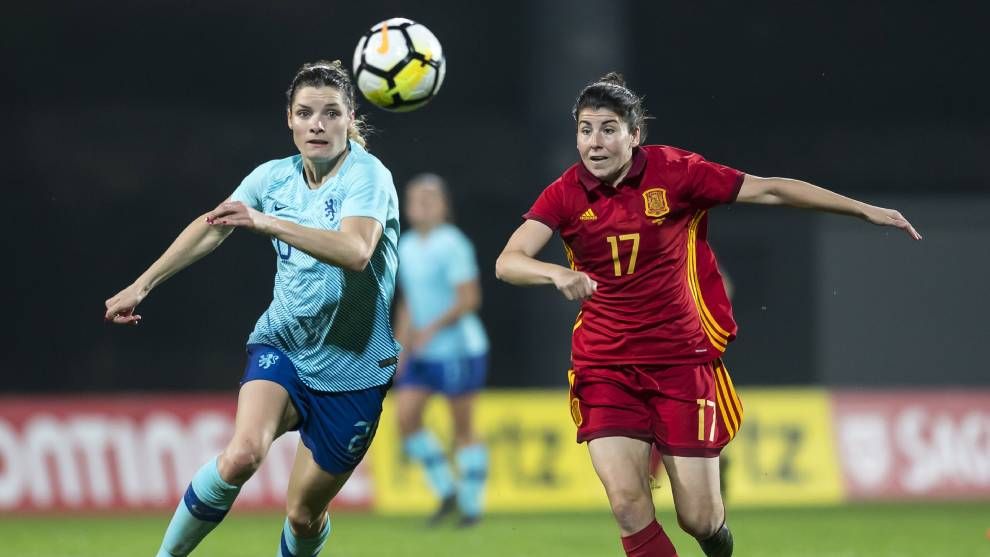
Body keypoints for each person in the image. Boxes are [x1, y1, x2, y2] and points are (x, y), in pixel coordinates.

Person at [495, 73, 920, 557]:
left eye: (608, 129)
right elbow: (508, 262)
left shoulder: (677, 173)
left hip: (680, 362)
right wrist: (554, 273)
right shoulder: (564, 193)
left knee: (699, 518)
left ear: (635, 135)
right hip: (605, 364)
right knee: (627, 505)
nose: (595, 142)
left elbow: (770, 190)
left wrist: (862, 210)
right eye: (585, 129)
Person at [104, 60, 400, 557]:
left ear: (350, 119)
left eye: (331, 113)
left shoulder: (367, 176)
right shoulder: (272, 177)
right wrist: (143, 284)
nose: (317, 124)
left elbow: (355, 251)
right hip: (283, 343)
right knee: (242, 455)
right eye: (305, 113)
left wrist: (266, 222)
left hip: (355, 368)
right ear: (289, 119)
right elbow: (214, 225)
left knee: (303, 515)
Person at [393, 174, 489, 527]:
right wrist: (400, 347)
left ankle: (471, 506)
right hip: (423, 351)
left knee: (462, 426)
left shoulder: (453, 244)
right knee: (406, 419)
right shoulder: (405, 246)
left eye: (429, 198)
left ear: (443, 206)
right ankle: (446, 490)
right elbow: (409, 302)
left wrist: (431, 328)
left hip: (459, 349)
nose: (420, 204)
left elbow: (469, 299)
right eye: (415, 198)